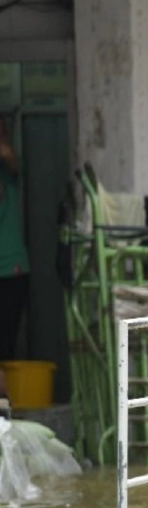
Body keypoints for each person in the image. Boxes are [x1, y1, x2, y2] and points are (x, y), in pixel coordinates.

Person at [0, 117, 29, 398]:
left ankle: (4, 407)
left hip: (13, 271)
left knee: (5, 343)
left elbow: (12, 160)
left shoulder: (9, 173)